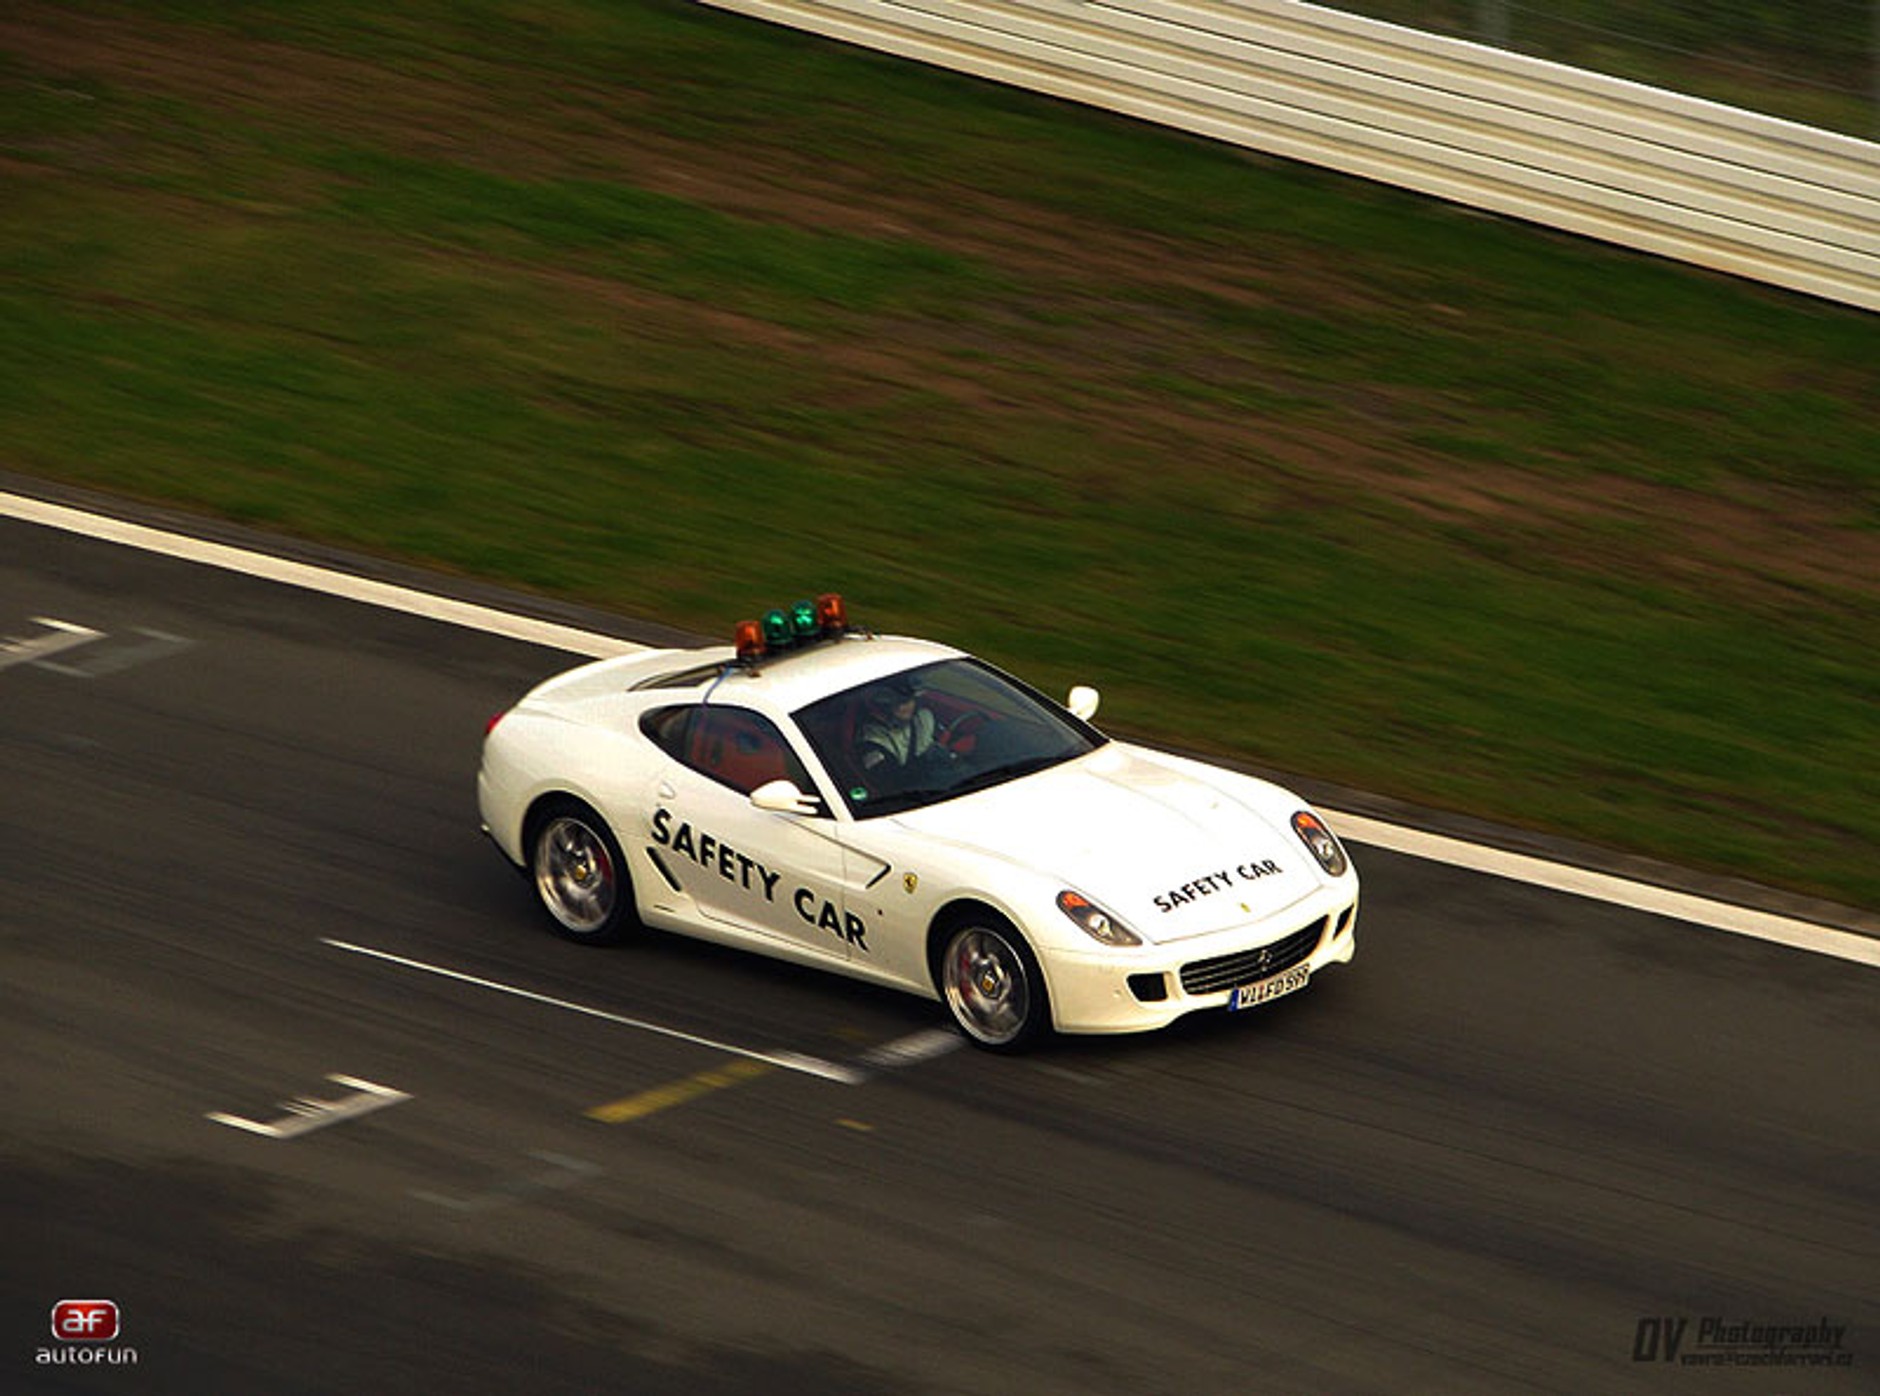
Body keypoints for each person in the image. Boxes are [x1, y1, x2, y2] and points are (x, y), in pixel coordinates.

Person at [856, 678, 947, 777]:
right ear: (884, 707)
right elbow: (893, 782)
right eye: (899, 702)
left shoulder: (923, 717)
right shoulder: (873, 742)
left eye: (908, 700)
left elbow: (936, 743)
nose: (905, 707)